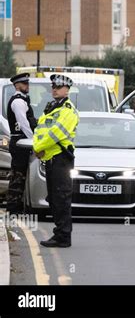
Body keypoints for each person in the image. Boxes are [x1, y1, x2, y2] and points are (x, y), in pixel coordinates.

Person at [33, 75, 79, 247]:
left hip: (61, 158)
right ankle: (60, 233)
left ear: (67, 90)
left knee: (61, 197)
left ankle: (63, 236)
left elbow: (55, 134)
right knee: (53, 198)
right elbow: (40, 131)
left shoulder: (68, 110)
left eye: (59, 87)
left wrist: (38, 147)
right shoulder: (51, 108)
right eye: (53, 86)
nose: (54, 89)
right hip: (51, 158)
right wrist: (38, 147)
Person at [5, 73, 37, 213]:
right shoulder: (18, 101)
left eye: (27, 83)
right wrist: (33, 141)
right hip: (20, 141)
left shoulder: (23, 100)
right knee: (18, 175)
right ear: (17, 85)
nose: (27, 86)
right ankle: (13, 207)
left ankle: (17, 206)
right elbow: (23, 124)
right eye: (24, 84)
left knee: (22, 173)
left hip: (22, 140)